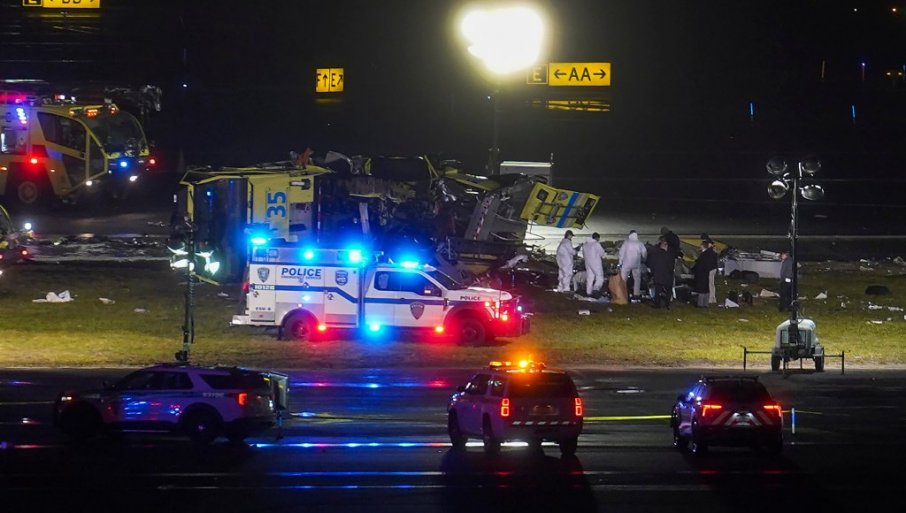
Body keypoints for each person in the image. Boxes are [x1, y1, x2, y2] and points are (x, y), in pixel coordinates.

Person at [618, 230, 647, 298]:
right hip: (636, 264)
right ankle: (636, 293)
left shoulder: (626, 243)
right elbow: (644, 252)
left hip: (626, 264)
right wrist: (643, 259)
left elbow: (621, 253)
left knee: (623, 279)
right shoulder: (639, 243)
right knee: (637, 279)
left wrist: (620, 262)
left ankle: (622, 293)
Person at [646, 238, 673, 309]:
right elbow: (671, 266)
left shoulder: (656, 254)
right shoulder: (670, 255)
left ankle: (657, 304)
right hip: (667, 275)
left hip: (658, 275)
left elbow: (652, 264)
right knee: (668, 290)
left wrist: (652, 272)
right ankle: (667, 304)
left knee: (658, 290)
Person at [692, 240, 718, 307]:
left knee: (702, 288)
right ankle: (706, 303)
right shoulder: (708, 253)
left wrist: (694, 270)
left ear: (703, 246)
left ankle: (700, 304)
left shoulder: (704, 254)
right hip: (706, 272)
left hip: (702, 272)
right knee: (706, 287)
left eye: (701, 245)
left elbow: (700, 264)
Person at [582, 232, 606, 296]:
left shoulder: (585, 244)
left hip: (587, 263)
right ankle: (596, 289)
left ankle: (588, 292)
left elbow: (583, 254)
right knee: (599, 276)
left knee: (590, 278)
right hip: (596, 263)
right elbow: (602, 253)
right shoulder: (596, 244)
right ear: (597, 238)